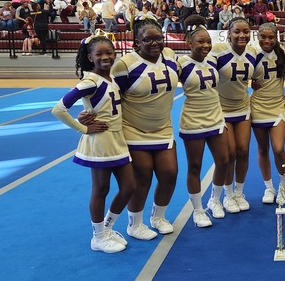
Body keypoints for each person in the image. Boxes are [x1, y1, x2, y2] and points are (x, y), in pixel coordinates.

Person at [52, 34, 135, 253]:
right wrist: (84, 128)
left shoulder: (111, 78)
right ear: (90, 57)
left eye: (109, 53)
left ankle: (106, 228)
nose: (105, 57)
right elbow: (58, 109)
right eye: (99, 54)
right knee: (101, 189)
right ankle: (98, 237)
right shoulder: (90, 81)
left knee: (129, 187)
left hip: (117, 139)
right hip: (100, 142)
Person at [106, 17, 179, 240]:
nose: (154, 43)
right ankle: (134, 224)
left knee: (169, 173)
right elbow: (107, 92)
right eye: (148, 39)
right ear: (137, 41)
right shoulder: (125, 65)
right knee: (143, 176)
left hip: (163, 128)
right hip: (134, 130)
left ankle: (158, 216)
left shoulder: (170, 57)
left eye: (158, 38)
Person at [177, 15, 230, 227]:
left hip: (216, 118)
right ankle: (198, 211)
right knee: (195, 166)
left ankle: (215, 200)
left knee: (224, 160)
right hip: (193, 121)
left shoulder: (212, 61)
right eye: (200, 41)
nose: (206, 45)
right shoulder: (181, 63)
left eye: (208, 41)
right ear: (189, 42)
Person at [208, 16, 257, 214]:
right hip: (222, 110)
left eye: (245, 31)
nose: (241, 35)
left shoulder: (253, 52)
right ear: (228, 33)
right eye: (237, 31)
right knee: (229, 154)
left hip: (243, 108)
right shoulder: (218, 51)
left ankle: (239, 193)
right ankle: (225, 196)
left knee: (243, 151)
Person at [250, 23, 285, 205]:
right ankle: (269, 187)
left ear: (276, 37)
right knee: (262, 149)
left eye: (271, 37)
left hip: (277, 107)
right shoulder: (252, 55)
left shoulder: (284, 55)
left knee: (279, 148)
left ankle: (284, 184)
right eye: (263, 37)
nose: (267, 40)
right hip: (258, 107)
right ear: (257, 37)